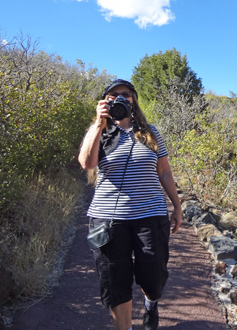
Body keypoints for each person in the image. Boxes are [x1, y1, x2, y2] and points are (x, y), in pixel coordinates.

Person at [78, 79, 183, 330]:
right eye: (113, 96)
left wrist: (177, 206)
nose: (120, 98)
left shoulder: (150, 132)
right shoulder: (99, 133)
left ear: (133, 100)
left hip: (150, 214)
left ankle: (150, 304)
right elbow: (86, 163)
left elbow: (164, 171)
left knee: (153, 276)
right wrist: (97, 124)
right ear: (105, 101)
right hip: (107, 219)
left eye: (125, 94)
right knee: (116, 282)